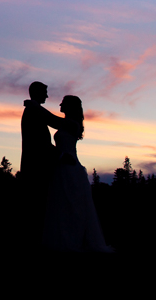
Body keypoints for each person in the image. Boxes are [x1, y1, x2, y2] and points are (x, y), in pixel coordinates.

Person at [42, 95, 113, 253]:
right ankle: (64, 238)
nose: (60, 104)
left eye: (63, 102)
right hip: (60, 167)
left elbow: (50, 119)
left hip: (70, 167)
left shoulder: (70, 124)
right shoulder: (66, 123)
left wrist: (35, 107)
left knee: (73, 205)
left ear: (70, 106)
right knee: (62, 204)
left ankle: (73, 240)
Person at [20, 81, 68, 245]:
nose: (47, 96)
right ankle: (36, 243)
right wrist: (61, 155)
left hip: (36, 167)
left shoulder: (33, 109)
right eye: (45, 92)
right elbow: (40, 141)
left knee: (38, 207)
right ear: (37, 92)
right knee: (37, 208)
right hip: (36, 168)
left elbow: (53, 121)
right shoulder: (33, 111)